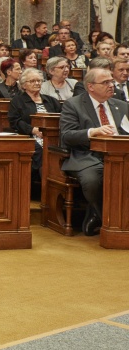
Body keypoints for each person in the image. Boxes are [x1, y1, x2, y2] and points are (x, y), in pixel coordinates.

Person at [60, 66, 128, 235]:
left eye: (112, 81)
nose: (111, 85)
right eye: (105, 82)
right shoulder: (74, 105)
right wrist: (92, 132)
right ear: (90, 86)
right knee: (92, 181)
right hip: (87, 155)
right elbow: (67, 136)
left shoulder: (122, 106)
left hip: (121, 156)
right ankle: (108, 218)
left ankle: (99, 216)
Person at [8, 68, 61, 197]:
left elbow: (61, 119)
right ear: (24, 85)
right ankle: (45, 192)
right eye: (32, 81)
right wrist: (34, 130)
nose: (37, 83)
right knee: (42, 152)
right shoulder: (18, 101)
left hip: (54, 137)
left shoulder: (51, 100)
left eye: (39, 81)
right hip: (30, 136)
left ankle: (59, 187)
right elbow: (15, 121)